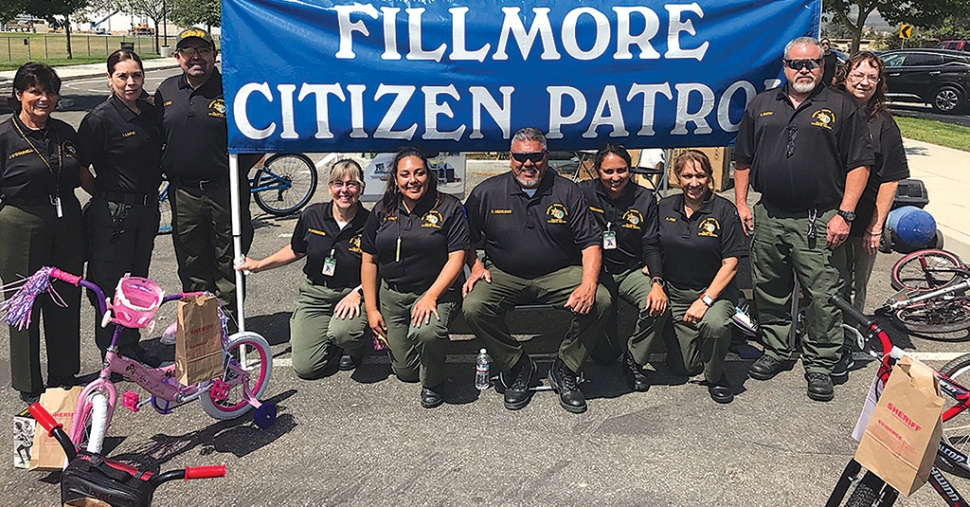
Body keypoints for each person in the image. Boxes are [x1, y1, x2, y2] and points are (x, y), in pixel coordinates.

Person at [734, 36, 873, 402]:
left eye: (812, 63)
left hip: (820, 217)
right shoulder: (763, 105)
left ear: (823, 66)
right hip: (769, 214)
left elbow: (859, 164)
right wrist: (742, 203)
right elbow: (743, 158)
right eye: (797, 64)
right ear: (785, 66)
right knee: (770, 289)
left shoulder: (841, 107)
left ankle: (821, 363)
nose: (804, 70)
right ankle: (777, 350)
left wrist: (845, 213)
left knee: (824, 294)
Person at [462, 127, 611, 414]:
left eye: (535, 156)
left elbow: (591, 242)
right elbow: (464, 238)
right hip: (504, 272)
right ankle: (518, 365)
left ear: (546, 156)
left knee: (601, 299)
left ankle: (565, 368)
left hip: (558, 272)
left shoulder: (568, 190)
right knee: (474, 306)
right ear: (510, 158)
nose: (527, 163)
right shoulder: (487, 192)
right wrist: (475, 265)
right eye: (520, 156)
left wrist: (589, 283)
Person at [154, 27, 260, 329]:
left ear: (214, 55)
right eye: (188, 51)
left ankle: (227, 325)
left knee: (229, 261)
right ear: (178, 58)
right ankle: (199, 328)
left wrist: (235, 172)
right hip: (183, 192)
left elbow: (253, 141)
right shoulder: (166, 91)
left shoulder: (232, 88)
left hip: (225, 189)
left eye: (202, 50)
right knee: (191, 262)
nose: (195, 57)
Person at [236, 160, 370, 379]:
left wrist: (359, 292)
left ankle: (352, 347)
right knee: (306, 368)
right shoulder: (312, 215)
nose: (344, 190)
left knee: (345, 333)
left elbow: (379, 266)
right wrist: (259, 265)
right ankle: (318, 330)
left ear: (361, 188)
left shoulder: (371, 222)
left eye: (351, 184)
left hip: (351, 294)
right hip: (315, 294)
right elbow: (296, 249)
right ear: (329, 187)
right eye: (338, 183)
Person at [0, 63, 84, 403]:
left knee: (65, 297)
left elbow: (83, 173)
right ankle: (28, 381)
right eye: (35, 91)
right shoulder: (5, 137)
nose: (43, 98)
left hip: (66, 217)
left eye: (50, 91)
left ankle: (64, 372)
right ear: (19, 94)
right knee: (24, 302)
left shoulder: (65, 132)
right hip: (22, 219)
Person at [360, 148, 468, 408]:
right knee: (406, 373)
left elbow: (457, 258)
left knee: (428, 333)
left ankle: (434, 382)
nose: (413, 180)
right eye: (405, 174)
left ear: (428, 176)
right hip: (393, 296)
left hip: (434, 293)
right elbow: (369, 259)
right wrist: (372, 308)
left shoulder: (448, 207)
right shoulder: (382, 209)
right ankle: (425, 353)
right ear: (395, 180)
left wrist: (431, 296)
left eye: (419, 173)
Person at [77, 49, 163, 363]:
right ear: (110, 78)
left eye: (136, 75)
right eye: (123, 76)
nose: (131, 82)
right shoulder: (99, 119)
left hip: (146, 209)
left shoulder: (150, 112)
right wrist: (105, 195)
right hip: (114, 212)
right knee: (109, 281)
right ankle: (111, 353)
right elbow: (81, 167)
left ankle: (130, 344)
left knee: (136, 281)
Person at [832, 51, 910, 375]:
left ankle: (848, 344)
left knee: (854, 284)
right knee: (830, 282)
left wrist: (876, 226)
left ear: (879, 83)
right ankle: (824, 339)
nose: (864, 82)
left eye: (872, 77)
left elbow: (891, 178)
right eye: (858, 74)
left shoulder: (884, 124)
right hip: (827, 216)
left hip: (864, 219)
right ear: (846, 75)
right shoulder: (830, 112)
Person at [647, 150, 747, 403]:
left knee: (715, 325)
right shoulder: (665, 207)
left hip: (713, 291)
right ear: (677, 178)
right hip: (676, 292)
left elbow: (731, 263)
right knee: (685, 368)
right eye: (687, 176)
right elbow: (652, 246)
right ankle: (689, 340)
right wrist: (653, 272)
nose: (694, 183)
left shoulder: (724, 210)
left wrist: (705, 301)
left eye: (701, 175)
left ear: (709, 177)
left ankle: (716, 375)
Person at [577, 143, 666, 393]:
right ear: (597, 171)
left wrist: (657, 280)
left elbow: (651, 243)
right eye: (608, 172)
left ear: (630, 169)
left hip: (630, 269)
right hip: (596, 271)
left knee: (656, 304)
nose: (615, 177)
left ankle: (635, 360)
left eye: (622, 170)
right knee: (605, 357)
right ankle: (607, 346)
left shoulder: (645, 198)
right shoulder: (583, 193)